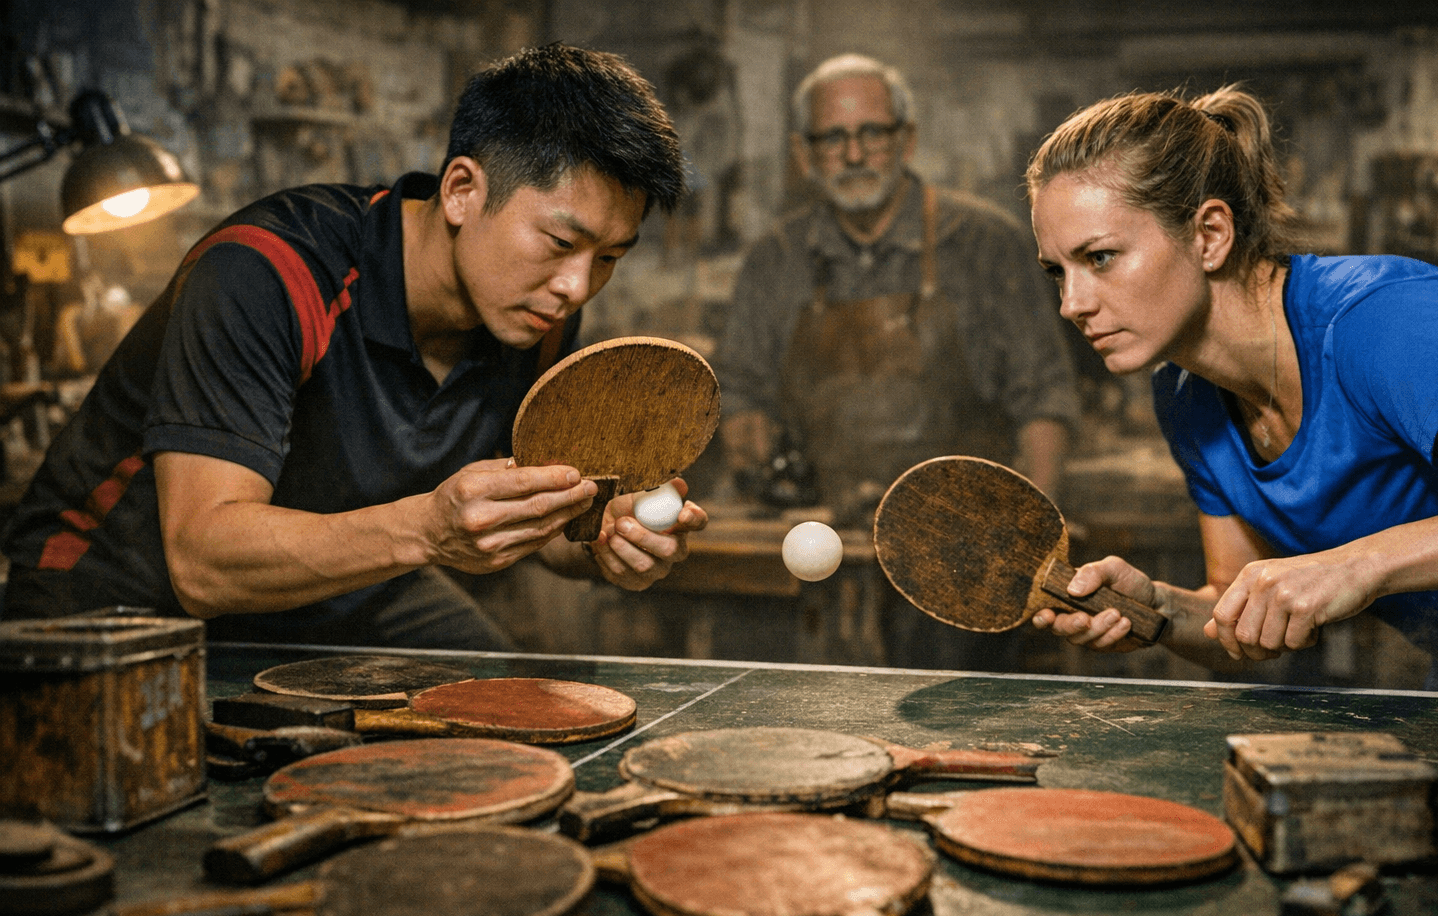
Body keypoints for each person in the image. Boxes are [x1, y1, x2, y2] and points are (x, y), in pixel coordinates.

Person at [0, 43, 705, 651]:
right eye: (559, 241)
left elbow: (538, 522)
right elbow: (203, 564)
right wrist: (428, 530)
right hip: (112, 599)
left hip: (338, 582)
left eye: (609, 258)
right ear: (462, 190)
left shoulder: (536, 317)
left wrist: (605, 540)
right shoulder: (267, 272)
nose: (578, 286)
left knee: (517, 716)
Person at [1025, 86, 1438, 692]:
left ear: (1210, 234)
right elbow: (1244, 624)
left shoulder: (1379, 322)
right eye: (1057, 271)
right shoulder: (1187, 399)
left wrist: (1358, 565)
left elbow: (1350, 571)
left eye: (1100, 257)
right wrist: (1159, 609)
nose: (1072, 304)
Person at [712, 53, 1079, 671]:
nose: (854, 154)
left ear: (906, 139)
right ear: (804, 154)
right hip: (821, 552)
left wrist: (1025, 544)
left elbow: (1044, 396)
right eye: (833, 138)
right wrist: (758, 465)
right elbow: (741, 392)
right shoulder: (774, 260)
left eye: (872, 133)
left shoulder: (984, 243)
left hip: (961, 554)